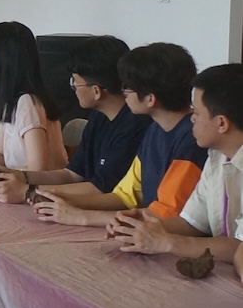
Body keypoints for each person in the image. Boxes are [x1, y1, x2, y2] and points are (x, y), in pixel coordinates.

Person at [32, 43, 206, 227]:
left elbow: (166, 215)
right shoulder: (155, 130)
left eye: (128, 88)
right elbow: (126, 196)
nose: (123, 92)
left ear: (150, 99)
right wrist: (65, 199)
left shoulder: (191, 140)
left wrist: (81, 216)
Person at [105, 64, 243, 267]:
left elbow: (239, 248)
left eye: (197, 112)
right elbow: (192, 222)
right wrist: (142, 226)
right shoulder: (217, 157)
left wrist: (167, 242)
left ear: (222, 123)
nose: (192, 118)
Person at [0, 36, 151, 204]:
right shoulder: (99, 117)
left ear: (96, 91)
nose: (72, 87)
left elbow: (101, 189)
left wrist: (28, 191)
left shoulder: (135, 126)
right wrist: (16, 176)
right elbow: (72, 174)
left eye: (75, 81)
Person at [0, 21, 68, 178]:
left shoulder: (27, 103)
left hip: (39, 188)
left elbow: (37, 170)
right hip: (18, 184)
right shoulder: (10, 103)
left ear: (1, 59)